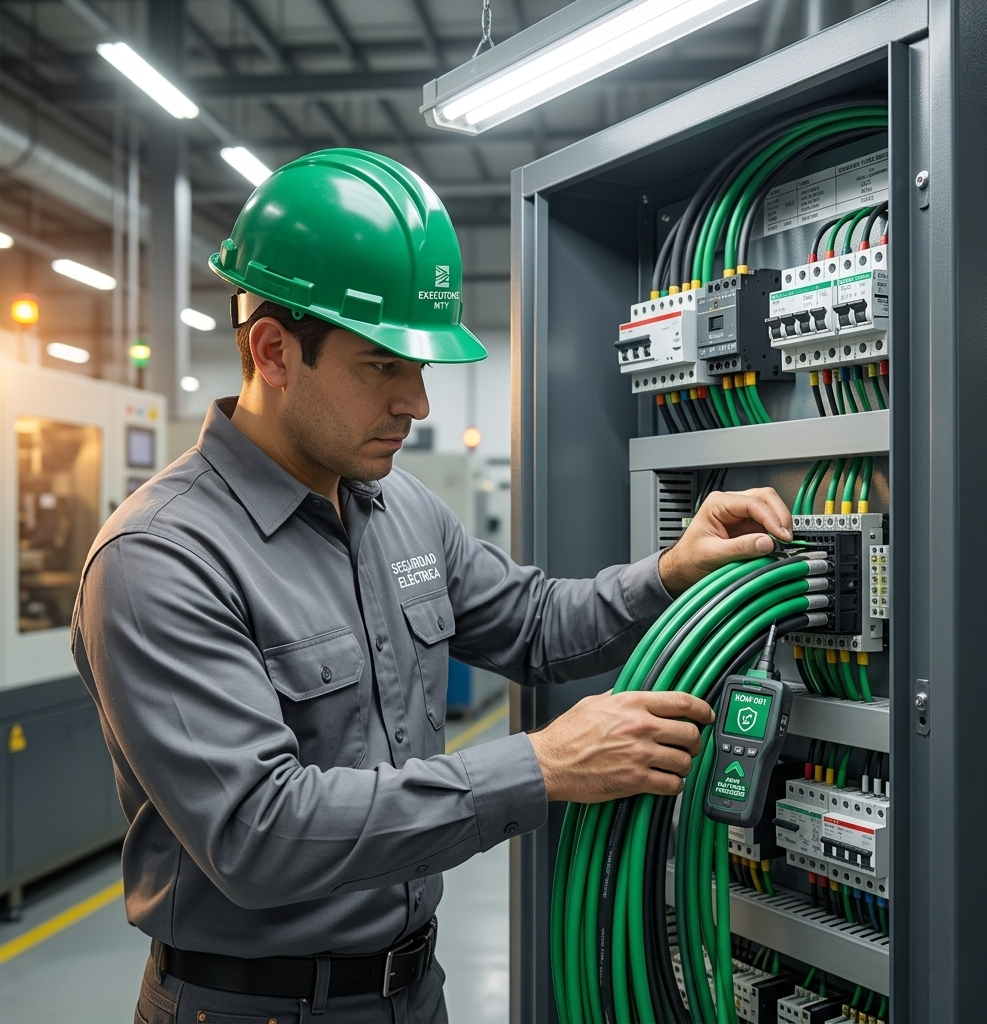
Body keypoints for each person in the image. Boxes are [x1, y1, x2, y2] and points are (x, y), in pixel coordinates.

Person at [72, 150, 792, 1024]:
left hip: (414, 993)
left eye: (422, 368)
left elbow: (530, 623)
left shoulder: (397, 506)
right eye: (383, 365)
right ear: (273, 352)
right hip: (247, 1007)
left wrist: (670, 571)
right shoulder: (161, 557)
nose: (417, 403)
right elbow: (258, 832)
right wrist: (541, 765)